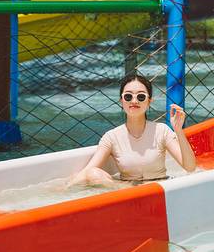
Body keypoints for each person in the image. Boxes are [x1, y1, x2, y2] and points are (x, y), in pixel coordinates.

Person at [68, 73, 197, 187]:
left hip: (158, 190)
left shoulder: (162, 130)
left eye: (141, 97)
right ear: (121, 101)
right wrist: (64, 189)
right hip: (126, 192)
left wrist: (178, 130)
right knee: (93, 173)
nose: (134, 101)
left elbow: (190, 167)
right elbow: (88, 171)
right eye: (128, 96)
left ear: (149, 101)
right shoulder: (112, 137)